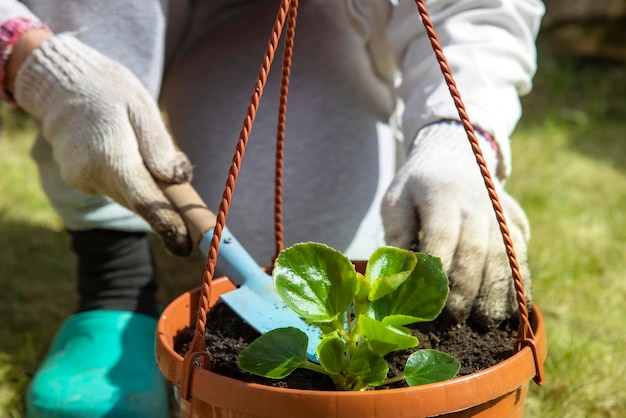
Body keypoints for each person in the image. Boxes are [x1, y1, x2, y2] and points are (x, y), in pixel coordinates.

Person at [0, 0, 545, 416]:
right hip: (109, 19)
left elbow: (479, 8)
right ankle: (113, 282)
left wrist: (459, 135)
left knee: (295, 246)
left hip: (304, 17)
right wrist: (32, 59)